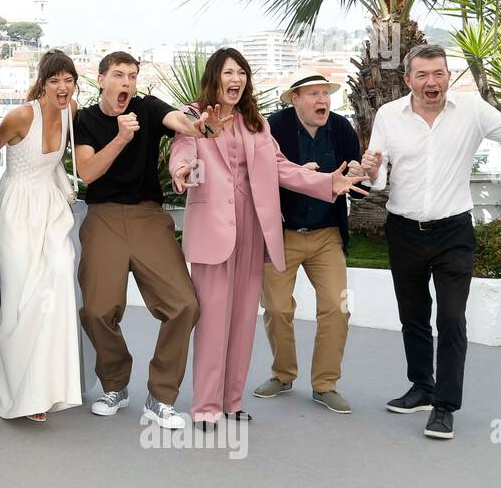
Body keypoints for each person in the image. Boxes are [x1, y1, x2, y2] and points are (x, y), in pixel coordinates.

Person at [170, 48, 366, 428]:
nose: (237, 78)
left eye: (242, 72)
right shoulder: (193, 115)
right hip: (213, 230)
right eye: (229, 72)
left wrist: (328, 182)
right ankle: (205, 407)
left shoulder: (255, 123)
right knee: (212, 322)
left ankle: (231, 402)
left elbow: (282, 169)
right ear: (215, 78)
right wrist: (184, 170)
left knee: (243, 320)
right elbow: (183, 150)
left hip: (253, 229)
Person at [361, 44, 501, 440]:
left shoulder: (473, 110)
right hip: (403, 229)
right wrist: (370, 170)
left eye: (439, 73)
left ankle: (444, 406)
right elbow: (375, 176)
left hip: (453, 232)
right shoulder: (389, 115)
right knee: (412, 315)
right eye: (423, 75)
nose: (432, 82)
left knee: (451, 319)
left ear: (448, 76)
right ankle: (422, 387)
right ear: (408, 79)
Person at [73, 51, 229, 430]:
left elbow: (177, 120)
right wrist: (123, 138)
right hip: (104, 216)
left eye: (132, 76)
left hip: (148, 217)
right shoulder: (85, 120)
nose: (126, 82)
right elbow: (88, 172)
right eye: (118, 75)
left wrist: (198, 127)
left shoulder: (146, 107)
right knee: (96, 310)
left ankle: (161, 398)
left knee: (184, 305)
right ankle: (115, 383)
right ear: (101, 79)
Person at [256, 70, 361, 413]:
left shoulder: (342, 129)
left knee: (337, 307)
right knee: (276, 308)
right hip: (282, 235)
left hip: (327, 236)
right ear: (295, 99)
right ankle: (283, 374)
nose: (322, 100)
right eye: (313, 94)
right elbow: (260, 176)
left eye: (325, 94)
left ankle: (325, 384)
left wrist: (361, 173)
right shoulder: (274, 126)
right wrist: (302, 176)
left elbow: (357, 181)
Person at [0, 50, 82, 421]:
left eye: (69, 80)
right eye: (55, 80)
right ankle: (16, 395)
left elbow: (57, 163)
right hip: (15, 208)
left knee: (57, 286)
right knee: (17, 301)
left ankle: (47, 388)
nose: (63, 87)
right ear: (43, 84)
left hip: (51, 207)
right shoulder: (21, 115)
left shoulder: (71, 111)